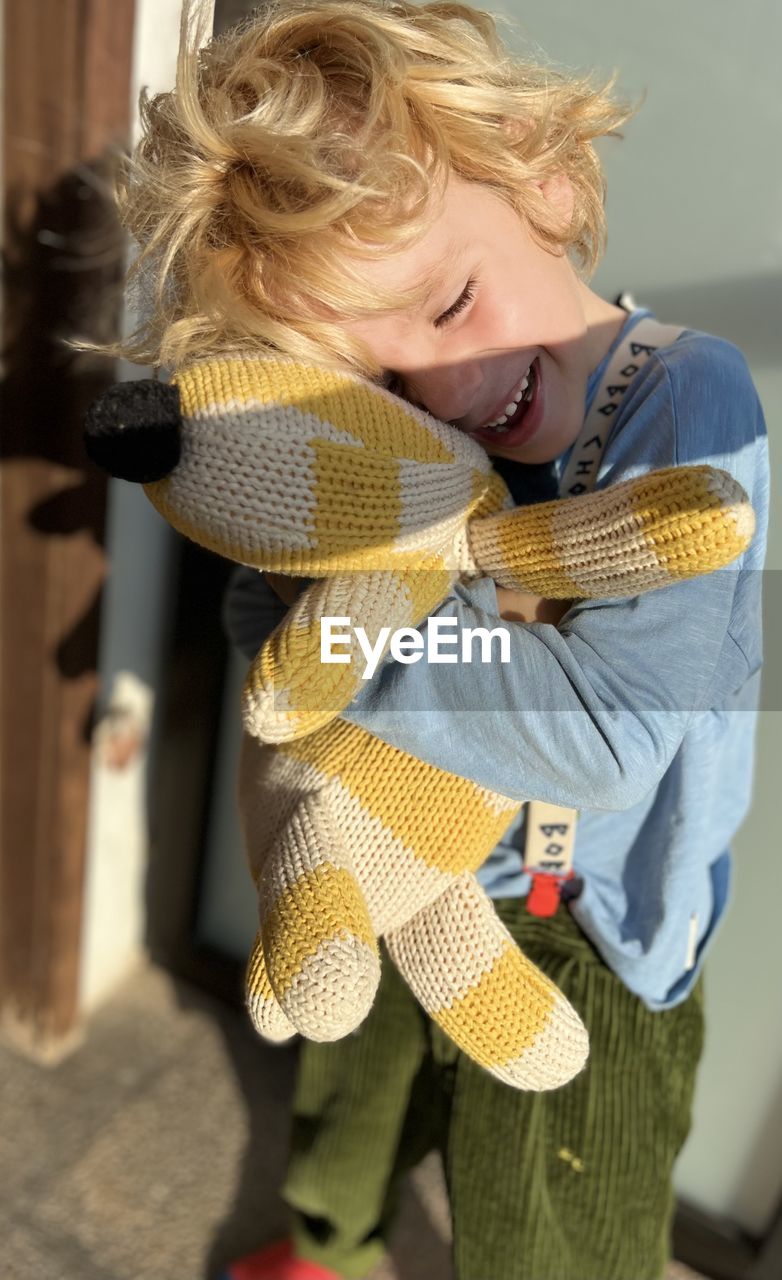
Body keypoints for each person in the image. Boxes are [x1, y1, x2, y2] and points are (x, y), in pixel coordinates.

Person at [110, 2, 769, 1277]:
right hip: (397, 856)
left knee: (551, 1227)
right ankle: (327, 1240)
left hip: (586, 930)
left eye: (449, 303)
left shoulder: (683, 402)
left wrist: (359, 647)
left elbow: (608, 728)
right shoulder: (381, 447)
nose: (449, 392)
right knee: (345, 1099)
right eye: (381, 391)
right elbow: (265, 607)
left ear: (536, 164)